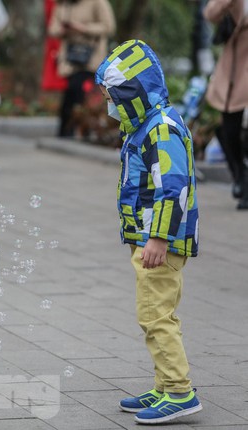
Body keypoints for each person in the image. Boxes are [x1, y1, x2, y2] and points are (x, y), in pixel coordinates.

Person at [95, 40, 202, 425]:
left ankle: (179, 392)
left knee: (156, 315)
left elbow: (173, 187)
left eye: (112, 97)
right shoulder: (144, 127)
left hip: (159, 242)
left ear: (132, 93)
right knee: (154, 313)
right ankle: (163, 386)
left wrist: (158, 237)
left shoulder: (161, 130)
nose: (109, 105)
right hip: (148, 239)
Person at [203, 0, 248, 209]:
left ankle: (244, 184)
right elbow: (210, 14)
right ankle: (240, 175)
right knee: (229, 130)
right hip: (235, 70)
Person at [48, 0, 115, 138]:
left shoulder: (98, 2)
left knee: (77, 90)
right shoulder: (63, 4)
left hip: (91, 58)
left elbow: (109, 26)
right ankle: (67, 130)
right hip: (70, 59)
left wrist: (83, 28)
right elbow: (52, 29)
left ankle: (73, 130)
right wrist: (64, 29)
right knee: (71, 93)